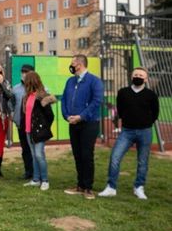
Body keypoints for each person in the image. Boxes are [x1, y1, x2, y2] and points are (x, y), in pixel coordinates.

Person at [99, 67, 159, 200]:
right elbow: (120, 109)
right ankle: (111, 187)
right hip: (127, 131)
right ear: (131, 77)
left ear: (146, 79)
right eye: (136, 74)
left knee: (142, 161)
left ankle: (139, 187)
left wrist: (146, 122)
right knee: (115, 157)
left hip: (145, 131)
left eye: (141, 75)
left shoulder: (151, 95)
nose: (138, 76)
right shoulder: (123, 92)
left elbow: (155, 113)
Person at [61, 54, 104, 200]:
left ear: (79, 64)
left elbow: (96, 102)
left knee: (87, 155)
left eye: (72, 62)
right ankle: (79, 185)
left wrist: (81, 116)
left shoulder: (94, 81)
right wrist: (67, 116)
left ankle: (88, 187)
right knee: (77, 155)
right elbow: (64, 99)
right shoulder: (70, 81)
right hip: (73, 123)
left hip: (89, 123)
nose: (71, 65)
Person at [20, 71, 56, 191]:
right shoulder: (26, 97)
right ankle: (36, 179)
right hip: (28, 131)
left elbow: (50, 115)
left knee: (39, 155)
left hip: (38, 131)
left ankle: (45, 180)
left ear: (31, 82)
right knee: (34, 155)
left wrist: (44, 128)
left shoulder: (42, 97)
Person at [12, 64, 35, 179]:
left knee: (35, 150)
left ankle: (37, 173)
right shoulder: (15, 89)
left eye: (26, 72)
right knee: (25, 149)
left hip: (34, 125)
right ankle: (28, 172)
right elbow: (11, 105)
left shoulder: (39, 89)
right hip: (21, 124)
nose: (24, 74)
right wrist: (13, 117)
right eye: (22, 72)